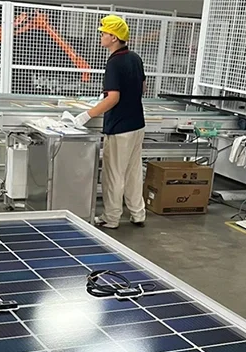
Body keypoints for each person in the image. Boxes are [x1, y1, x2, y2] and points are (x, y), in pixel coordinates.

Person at [73, 15, 146, 229]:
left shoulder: (114, 62)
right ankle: (138, 213)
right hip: (137, 125)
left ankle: (111, 218)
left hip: (119, 128)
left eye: (104, 33)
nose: (101, 37)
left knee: (113, 174)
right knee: (133, 172)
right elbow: (142, 87)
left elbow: (113, 98)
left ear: (114, 37)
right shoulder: (135, 58)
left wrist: (87, 115)